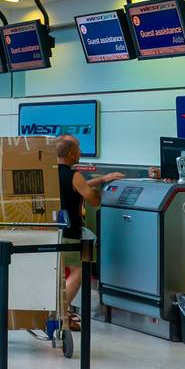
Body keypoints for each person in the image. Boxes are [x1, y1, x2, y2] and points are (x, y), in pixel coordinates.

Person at [56, 135, 126, 317]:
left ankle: (56, 311)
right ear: (71, 153)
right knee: (79, 270)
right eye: (78, 148)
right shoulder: (73, 175)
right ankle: (60, 312)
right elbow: (93, 200)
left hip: (52, 229)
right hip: (70, 231)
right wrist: (97, 192)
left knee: (59, 272)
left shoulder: (50, 172)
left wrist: (101, 179)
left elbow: (75, 187)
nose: (80, 152)